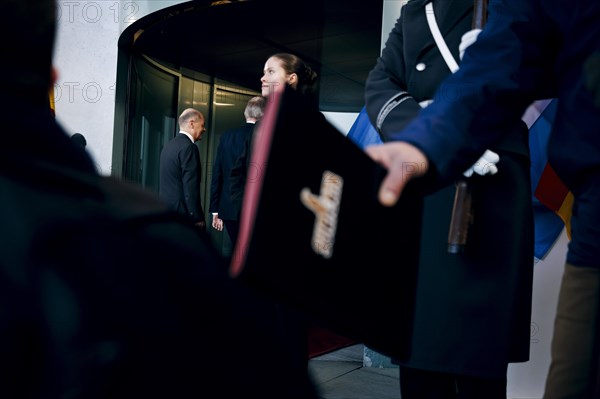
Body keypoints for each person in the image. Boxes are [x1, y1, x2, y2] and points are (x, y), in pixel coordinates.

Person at [0, 0, 320, 397]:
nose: (202, 130)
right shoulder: (155, 243)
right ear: (50, 80)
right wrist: (200, 215)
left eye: (270, 71)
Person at [364, 1, 600, 398]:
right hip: (431, 167)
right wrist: (429, 135)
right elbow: (382, 81)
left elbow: (556, 59)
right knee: (421, 339)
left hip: (498, 167)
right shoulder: (413, 14)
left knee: (481, 349)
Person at [230, 52, 319, 373]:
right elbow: (250, 177)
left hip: (290, 245)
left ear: (291, 79)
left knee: (288, 328)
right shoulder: (267, 123)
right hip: (267, 241)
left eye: (270, 71)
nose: (262, 77)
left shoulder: (307, 122)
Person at [210, 96, 266, 249]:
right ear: (264, 115)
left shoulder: (227, 137)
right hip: (256, 208)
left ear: (245, 113)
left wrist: (215, 210)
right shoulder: (265, 138)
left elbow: (218, 172)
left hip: (228, 208)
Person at [159, 108, 207, 230]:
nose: (204, 129)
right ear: (191, 123)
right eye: (202, 125)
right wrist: (196, 217)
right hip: (182, 215)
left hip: (166, 211)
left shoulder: (168, 146)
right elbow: (190, 186)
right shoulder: (189, 148)